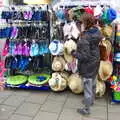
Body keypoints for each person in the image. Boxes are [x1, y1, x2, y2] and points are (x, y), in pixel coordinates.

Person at [71, 13, 103, 115]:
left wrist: (74, 53)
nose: (81, 24)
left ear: (86, 23)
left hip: (88, 65)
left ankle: (86, 109)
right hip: (95, 61)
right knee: (93, 83)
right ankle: (91, 101)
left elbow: (84, 56)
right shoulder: (97, 31)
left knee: (87, 87)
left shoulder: (86, 37)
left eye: (82, 22)